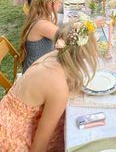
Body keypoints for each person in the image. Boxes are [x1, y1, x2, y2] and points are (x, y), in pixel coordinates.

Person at [0, 19, 98, 150]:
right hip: (12, 140)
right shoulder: (58, 86)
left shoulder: (52, 56)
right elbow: (39, 145)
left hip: (6, 119)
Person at [19, 0, 64, 73]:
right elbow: (69, 37)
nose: (61, 1)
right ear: (48, 2)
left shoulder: (41, 15)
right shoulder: (42, 25)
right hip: (36, 72)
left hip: (40, 65)